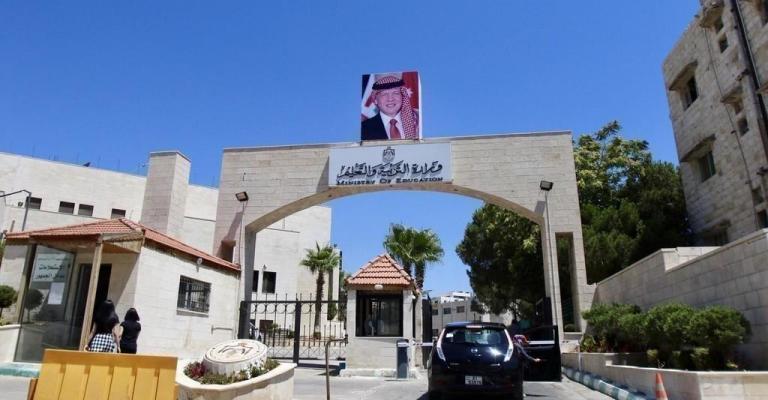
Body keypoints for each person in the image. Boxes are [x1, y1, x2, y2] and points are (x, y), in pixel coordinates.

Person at [361, 74, 420, 141]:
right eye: (384, 94)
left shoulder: (417, 122)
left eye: (395, 93)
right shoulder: (363, 129)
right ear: (375, 100)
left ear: (402, 96)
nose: (390, 99)